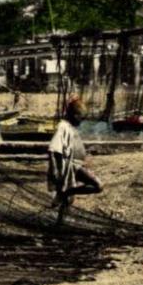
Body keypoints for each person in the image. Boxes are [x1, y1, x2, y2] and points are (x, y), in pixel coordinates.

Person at [47, 95, 102, 227]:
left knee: (68, 201)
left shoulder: (69, 126)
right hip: (71, 166)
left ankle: (60, 224)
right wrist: (54, 169)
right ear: (74, 115)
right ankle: (67, 192)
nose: (81, 122)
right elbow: (53, 149)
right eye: (80, 118)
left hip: (75, 165)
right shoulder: (63, 126)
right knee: (98, 186)